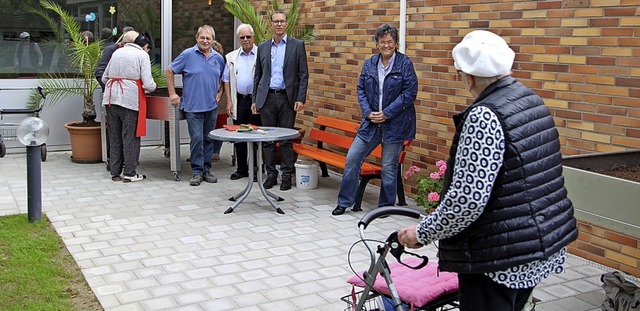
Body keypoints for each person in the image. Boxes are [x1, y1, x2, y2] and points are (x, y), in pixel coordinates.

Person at [397, 30, 578, 311]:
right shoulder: (530, 100)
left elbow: (466, 201)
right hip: (536, 242)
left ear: (468, 77)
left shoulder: (485, 116)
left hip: (498, 256)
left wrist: (422, 233)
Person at [332, 24, 418, 216]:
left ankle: (385, 206)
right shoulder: (369, 63)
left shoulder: (405, 64)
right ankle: (344, 202)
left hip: (394, 124)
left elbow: (410, 93)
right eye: (382, 42)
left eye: (390, 42)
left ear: (396, 43)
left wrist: (387, 112)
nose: (386, 45)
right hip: (371, 123)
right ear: (377, 43)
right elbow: (360, 89)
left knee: (388, 167)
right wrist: (368, 112)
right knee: (353, 159)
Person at [253, 9, 308, 191]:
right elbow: (258, 76)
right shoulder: (262, 47)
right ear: (271, 24)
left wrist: (300, 98)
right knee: (268, 139)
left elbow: (303, 74)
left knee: (285, 139)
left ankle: (286, 175)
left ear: (286, 24)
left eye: (282, 21)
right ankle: (271, 175)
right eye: (275, 21)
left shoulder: (297, 45)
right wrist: (255, 99)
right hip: (267, 98)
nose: (278, 24)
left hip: (287, 99)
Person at [166, 25, 225, 186]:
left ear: (213, 40)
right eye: (202, 38)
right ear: (196, 38)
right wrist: (172, 93)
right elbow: (170, 70)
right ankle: (197, 171)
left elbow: (223, 77)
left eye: (208, 38)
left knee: (208, 139)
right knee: (197, 139)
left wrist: (220, 94)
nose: (205, 41)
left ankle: (207, 170)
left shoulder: (218, 58)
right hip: (193, 106)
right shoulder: (187, 55)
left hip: (211, 107)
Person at [101, 32, 156, 182]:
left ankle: (115, 172)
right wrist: (153, 86)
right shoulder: (142, 55)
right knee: (131, 136)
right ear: (145, 46)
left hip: (111, 98)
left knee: (115, 135)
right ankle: (130, 173)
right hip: (129, 100)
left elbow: (104, 77)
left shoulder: (118, 52)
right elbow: (149, 83)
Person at [223, 24, 261, 182]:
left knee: (255, 135)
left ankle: (255, 169)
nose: (246, 40)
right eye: (242, 37)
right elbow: (226, 80)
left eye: (248, 37)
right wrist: (229, 101)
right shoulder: (231, 57)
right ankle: (241, 169)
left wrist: (258, 100)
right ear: (239, 39)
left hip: (256, 102)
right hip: (239, 100)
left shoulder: (262, 54)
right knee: (239, 136)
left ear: (253, 37)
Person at [96, 26, 136, 91]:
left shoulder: (137, 52)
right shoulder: (111, 50)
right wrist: (109, 88)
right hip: (112, 91)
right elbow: (100, 72)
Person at [211, 40, 226, 162]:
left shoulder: (221, 62)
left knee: (219, 126)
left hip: (220, 98)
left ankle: (215, 151)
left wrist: (220, 92)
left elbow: (224, 80)